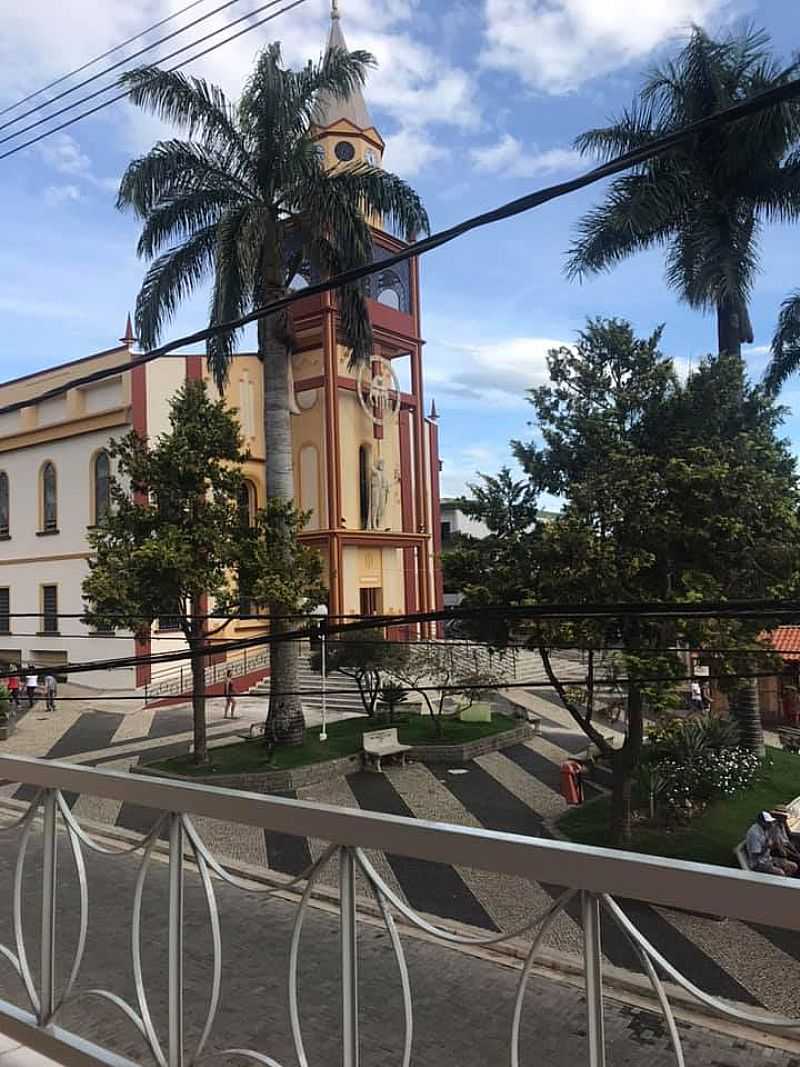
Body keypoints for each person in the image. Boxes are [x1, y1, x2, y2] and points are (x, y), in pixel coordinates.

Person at [745, 811, 797, 876]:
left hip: (769, 859)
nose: (770, 824)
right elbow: (756, 853)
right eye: (768, 822)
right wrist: (768, 847)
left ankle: (785, 882)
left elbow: (774, 841)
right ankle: (782, 883)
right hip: (759, 863)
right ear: (761, 822)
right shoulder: (754, 834)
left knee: (793, 866)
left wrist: (775, 845)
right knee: (781, 873)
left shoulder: (766, 829)